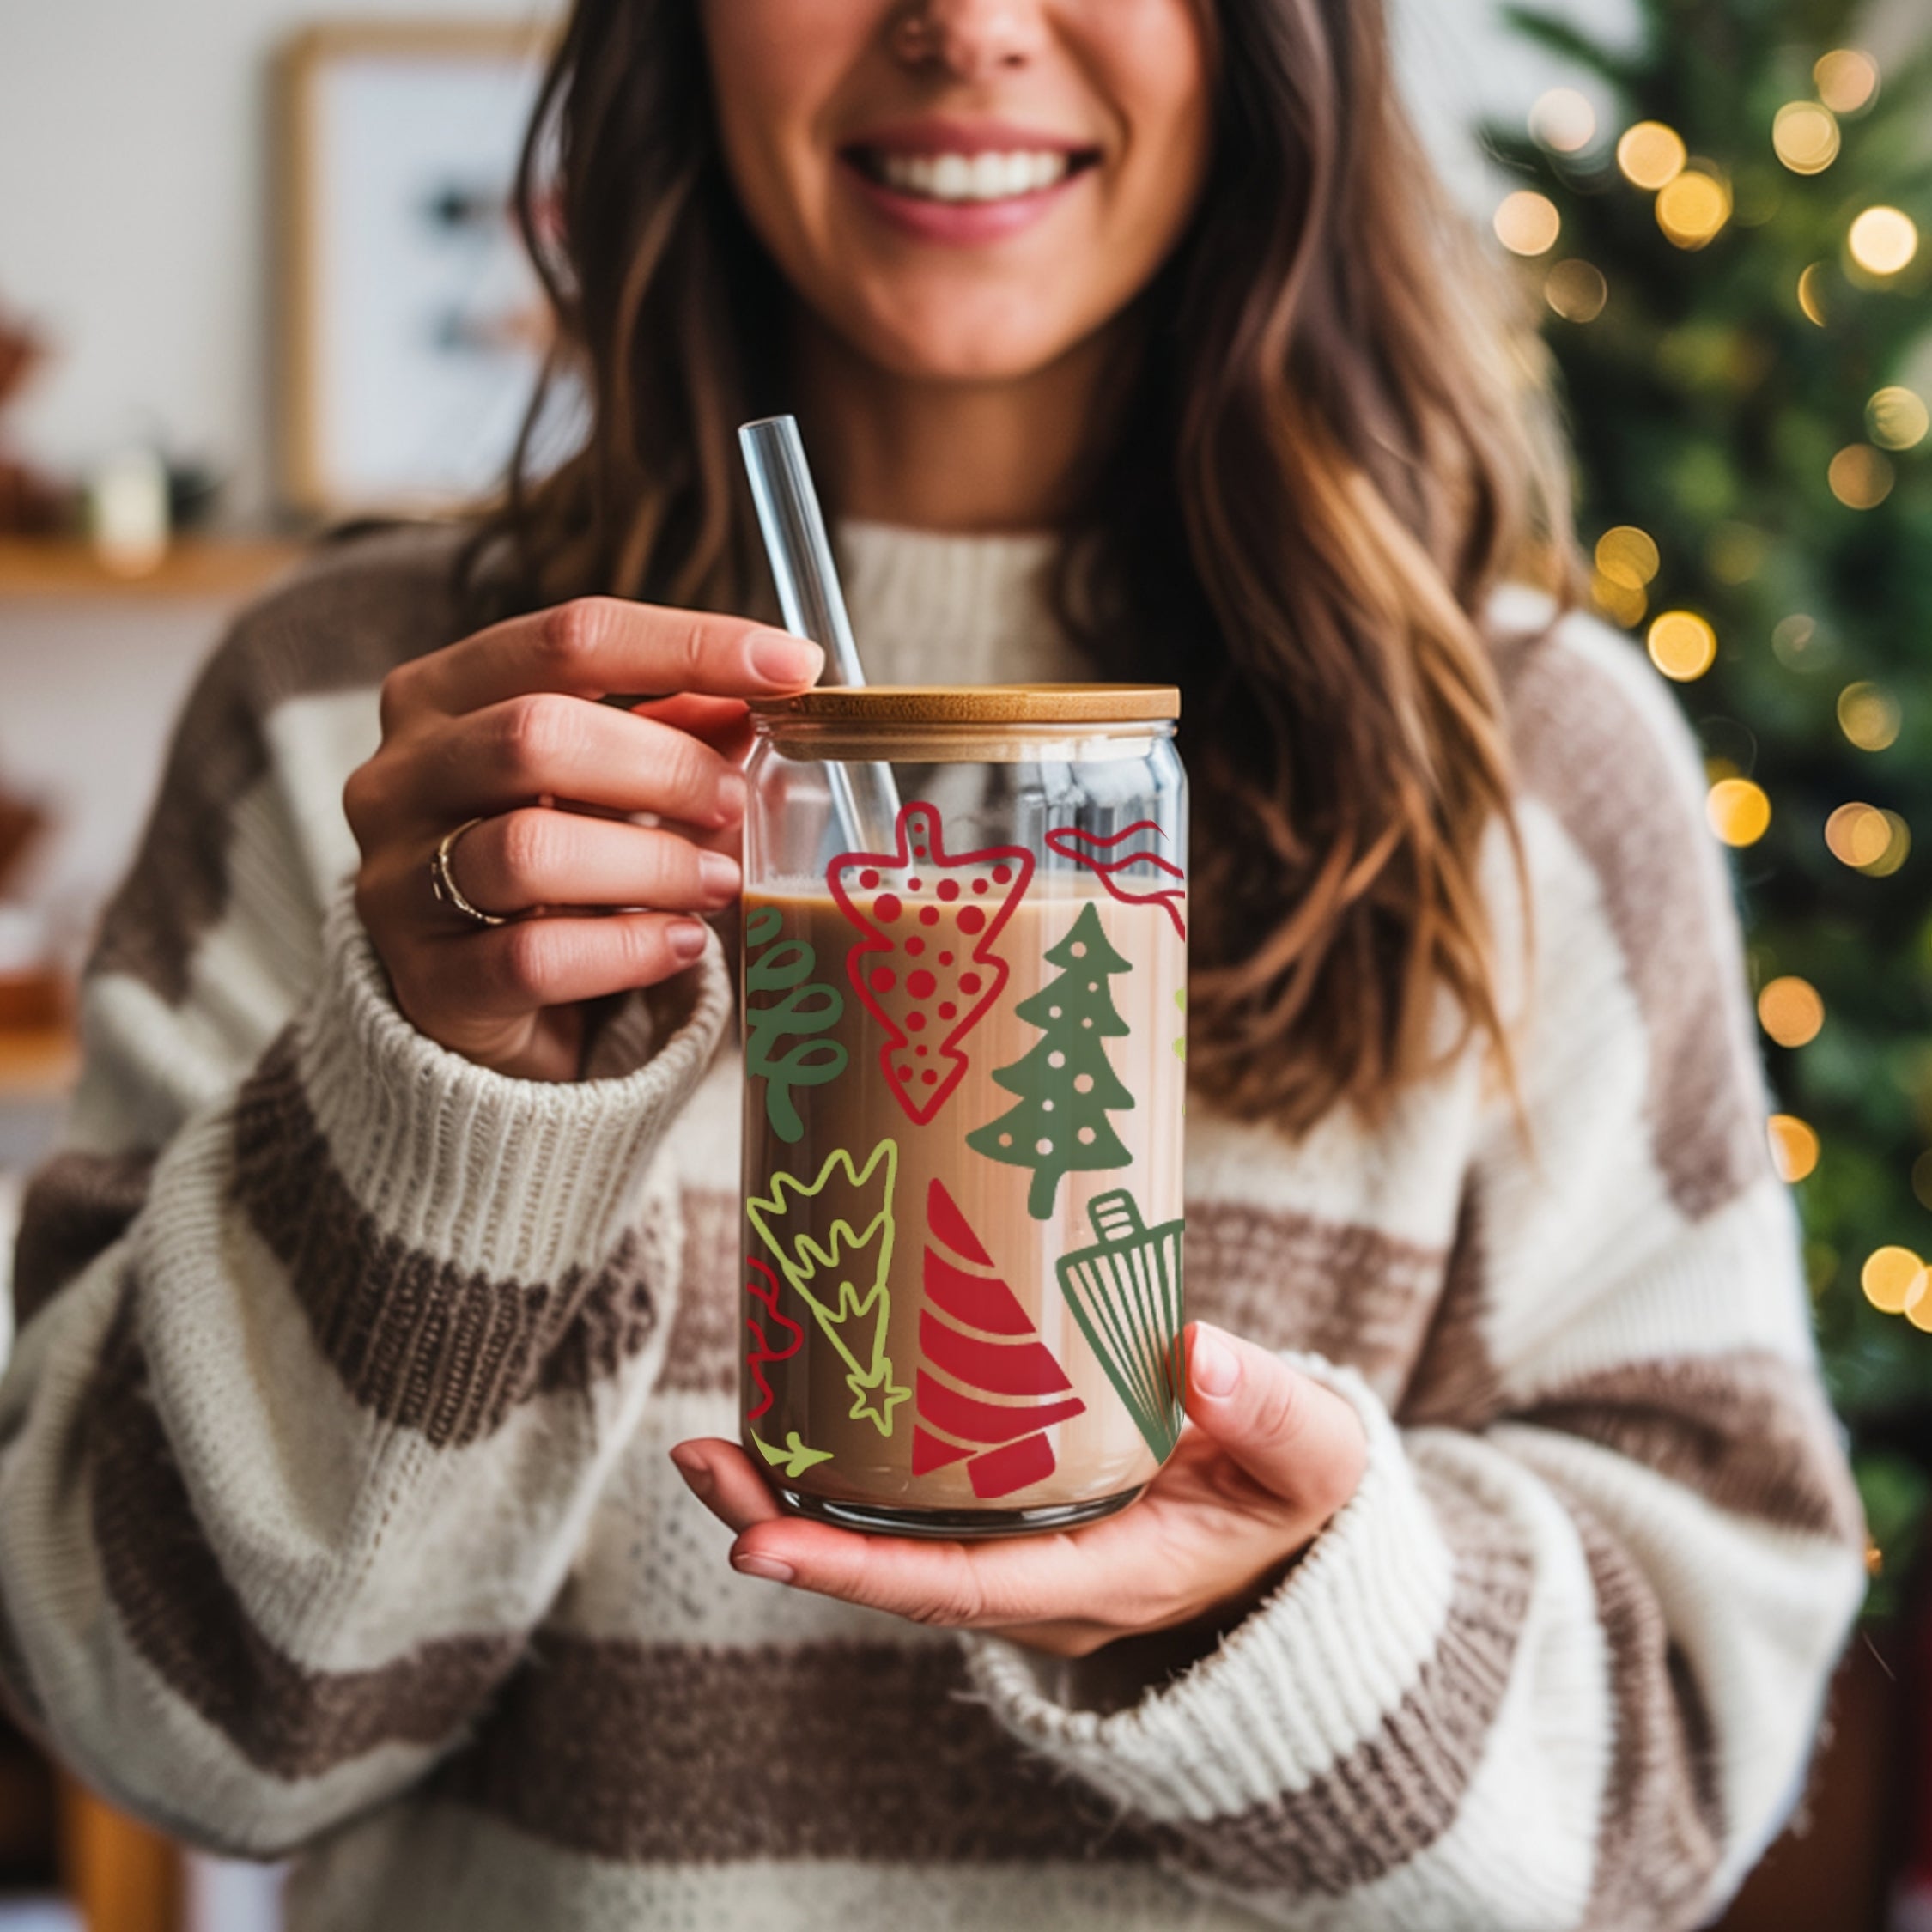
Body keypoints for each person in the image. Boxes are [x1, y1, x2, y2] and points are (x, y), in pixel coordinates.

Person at [0, 2, 1866, 1928]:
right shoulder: (384, 746)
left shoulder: (1529, 762)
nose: (965, 23)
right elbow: (164, 1734)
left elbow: (1686, 1744)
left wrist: (1272, 1609)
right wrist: (433, 1114)